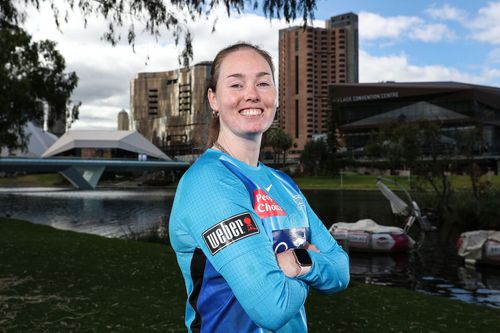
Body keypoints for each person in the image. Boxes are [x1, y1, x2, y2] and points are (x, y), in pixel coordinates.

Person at [169, 42, 350, 333]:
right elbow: (272, 305)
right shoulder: (208, 182)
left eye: (263, 83)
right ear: (213, 99)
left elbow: (341, 270)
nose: (251, 94)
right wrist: (315, 266)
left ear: (276, 97)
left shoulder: (284, 185)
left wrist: (298, 264)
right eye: (236, 84)